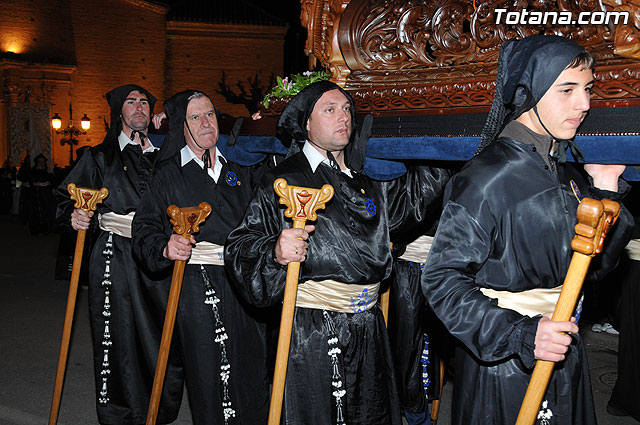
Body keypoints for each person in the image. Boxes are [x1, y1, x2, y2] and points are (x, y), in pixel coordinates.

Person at [421, 34, 634, 425]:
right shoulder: (486, 178)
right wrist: (521, 333)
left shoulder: (564, 170)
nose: (584, 104)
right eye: (567, 90)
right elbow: (441, 280)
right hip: (504, 364)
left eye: (587, 90)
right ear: (528, 92)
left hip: (561, 347)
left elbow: (595, 269)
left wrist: (606, 193)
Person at [224, 80, 450, 425]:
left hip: (369, 325)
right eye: (329, 110)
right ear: (307, 124)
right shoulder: (283, 180)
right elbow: (239, 247)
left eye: (346, 109)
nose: (342, 116)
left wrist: (445, 147)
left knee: (369, 414)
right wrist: (274, 251)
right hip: (312, 330)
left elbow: (413, 207)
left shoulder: (368, 178)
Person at [132, 90, 272, 425]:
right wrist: (166, 247)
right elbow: (144, 228)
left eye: (209, 114)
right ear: (182, 126)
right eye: (195, 117)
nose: (206, 122)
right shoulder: (168, 174)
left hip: (244, 278)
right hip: (197, 284)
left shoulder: (241, 166)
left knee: (252, 363)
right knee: (211, 369)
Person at [56, 84, 181, 424]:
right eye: (131, 102)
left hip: (160, 255)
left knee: (161, 333)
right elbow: (67, 198)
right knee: (119, 334)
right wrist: (75, 214)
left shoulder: (167, 155)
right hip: (115, 253)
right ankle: (121, 413)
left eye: (144, 102)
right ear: (118, 112)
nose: (139, 107)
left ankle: (158, 408)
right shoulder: (98, 156)